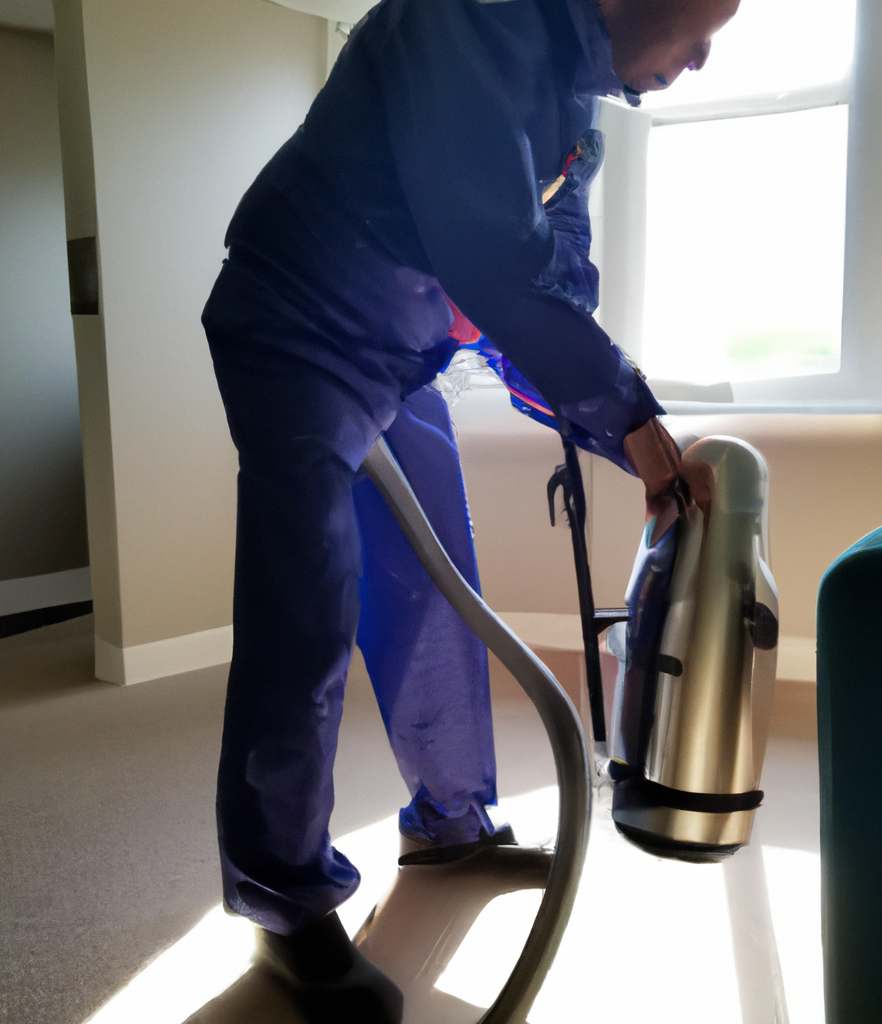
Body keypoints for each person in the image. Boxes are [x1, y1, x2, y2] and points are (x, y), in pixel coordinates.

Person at [201, 0, 738, 1018]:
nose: (700, 62)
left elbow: (549, 293)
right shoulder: (471, 19)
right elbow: (489, 253)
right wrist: (629, 418)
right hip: (296, 323)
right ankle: (285, 908)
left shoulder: (574, 106)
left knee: (437, 578)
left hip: (397, 354)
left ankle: (449, 824)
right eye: (697, 31)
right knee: (306, 607)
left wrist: (632, 433)